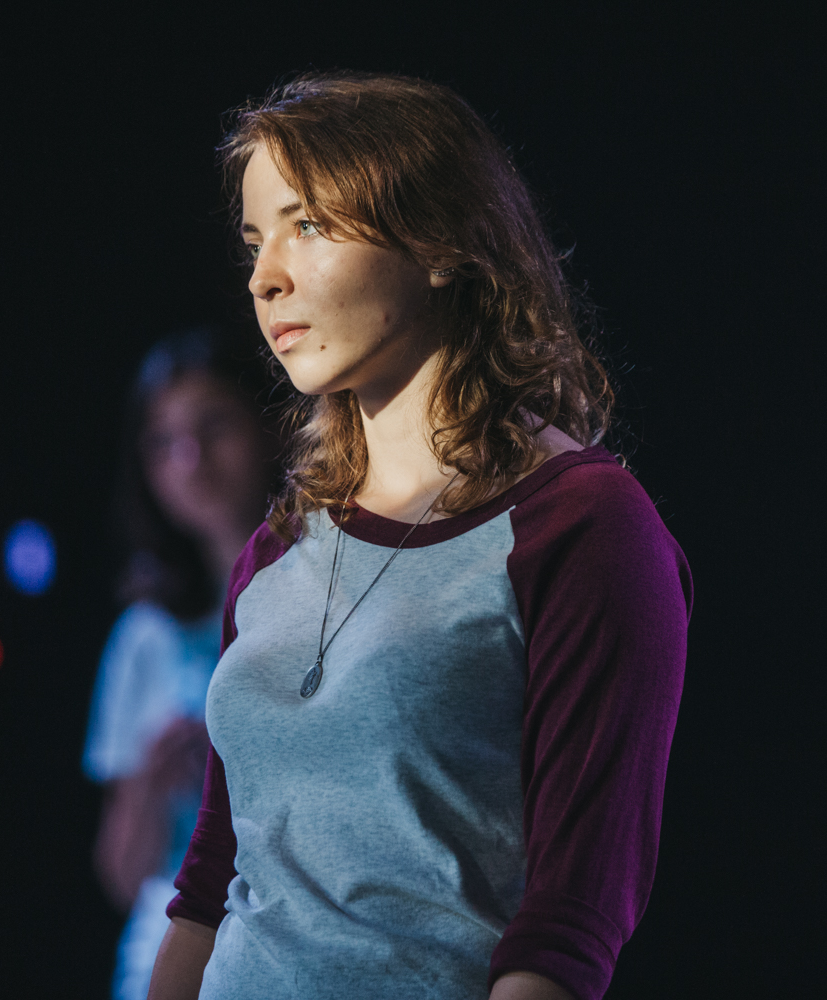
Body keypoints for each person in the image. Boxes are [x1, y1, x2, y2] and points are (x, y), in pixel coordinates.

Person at [149, 73, 692, 1000]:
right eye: (253, 240)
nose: (264, 276)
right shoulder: (276, 551)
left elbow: (570, 922)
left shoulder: (584, 529)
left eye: (307, 224)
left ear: (439, 244)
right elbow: (209, 887)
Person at [84, 329, 275, 1000]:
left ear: (267, 424)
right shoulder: (147, 636)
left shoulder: (323, 595)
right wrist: (150, 778)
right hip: (174, 937)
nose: (191, 460)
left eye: (214, 426)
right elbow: (121, 875)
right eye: (163, 443)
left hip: (294, 931)